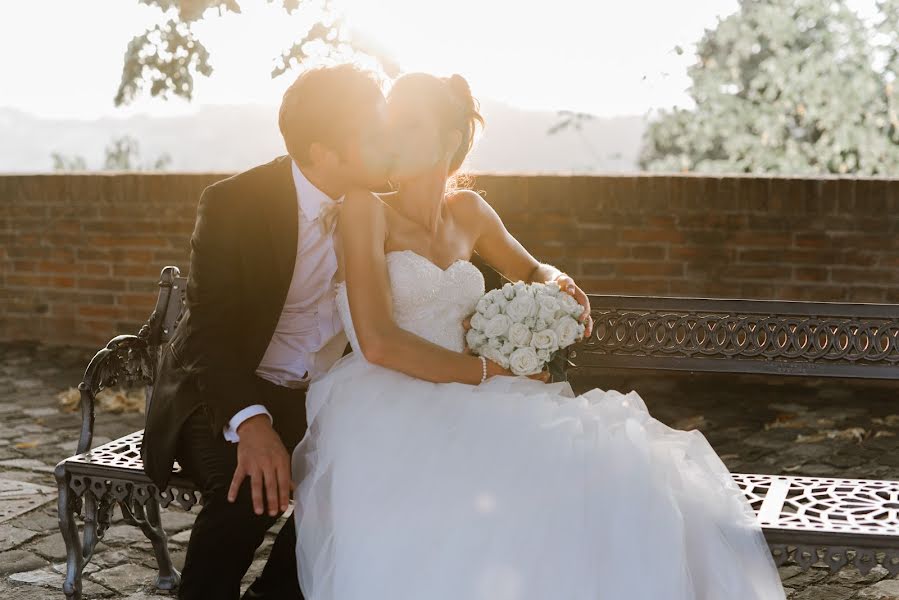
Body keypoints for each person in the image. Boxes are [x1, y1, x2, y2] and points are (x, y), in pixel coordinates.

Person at [291, 72, 788, 599]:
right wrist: (488, 370)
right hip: (393, 401)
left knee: (614, 477)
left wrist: (560, 285)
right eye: (390, 123)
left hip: (482, 394)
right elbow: (378, 342)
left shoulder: (470, 212)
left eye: (410, 124)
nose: (393, 135)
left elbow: (532, 270)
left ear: (449, 139)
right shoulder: (365, 208)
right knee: (503, 501)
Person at [142, 64, 391, 600]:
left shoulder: (378, 204)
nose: (386, 142)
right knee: (248, 493)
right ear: (324, 151)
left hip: (323, 397)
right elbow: (208, 331)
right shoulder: (235, 203)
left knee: (366, 485)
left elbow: (462, 258)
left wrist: (538, 284)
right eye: (372, 132)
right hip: (224, 390)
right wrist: (251, 425)